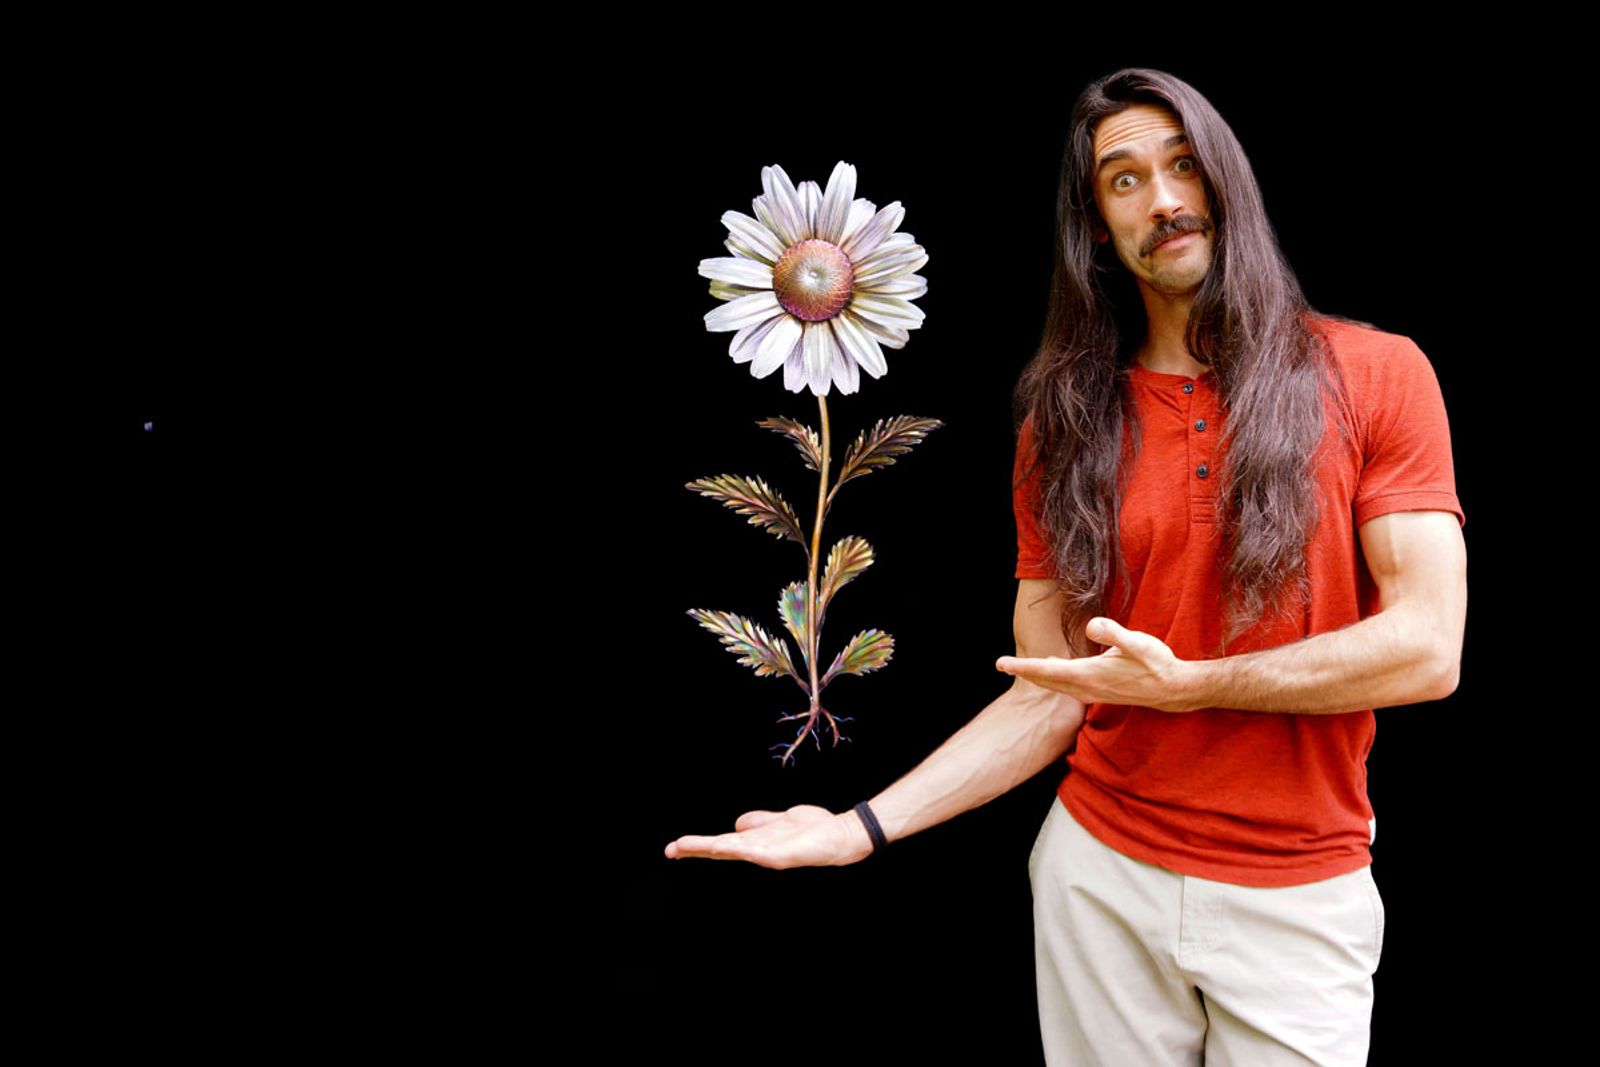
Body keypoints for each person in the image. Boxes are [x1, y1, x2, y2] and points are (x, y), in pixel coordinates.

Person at [664, 67, 1466, 1066]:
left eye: (1183, 165)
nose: (1163, 199)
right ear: (1096, 226)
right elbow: (1048, 691)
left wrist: (1193, 686)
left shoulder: (1377, 374)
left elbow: (1428, 648)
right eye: (1124, 179)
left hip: (1298, 896)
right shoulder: (1067, 423)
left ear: (1227, 181)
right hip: (1099, 878)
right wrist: (856, 828)